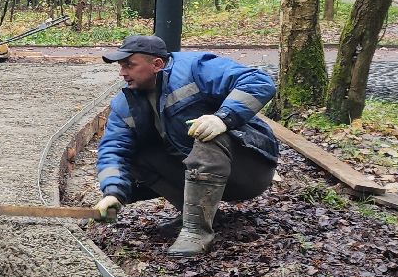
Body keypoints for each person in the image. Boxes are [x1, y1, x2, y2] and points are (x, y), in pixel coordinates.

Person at [93, 35, 279, 256]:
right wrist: (112, 192)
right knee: (136, 155)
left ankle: (196, 231)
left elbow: (259, 82)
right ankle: (198, 214)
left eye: (129, 65)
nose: (122, 73)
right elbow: (113, 148)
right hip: (200, 173)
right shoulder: (125, 104)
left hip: (250, 170)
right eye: (121, 66)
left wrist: (222, 118)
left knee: (207, 135)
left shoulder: (195, 68)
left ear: (157, 64)